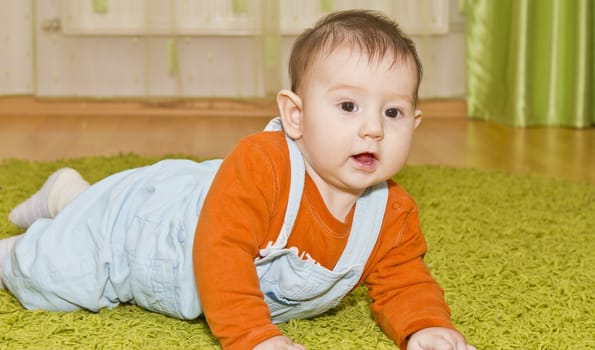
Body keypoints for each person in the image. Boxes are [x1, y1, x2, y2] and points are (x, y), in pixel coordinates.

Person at [0, 9, 476, 350]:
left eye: (392, 112)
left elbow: (402, 281)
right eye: (349, 106)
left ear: (413, 124)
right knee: (56, 278)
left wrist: (425, 326)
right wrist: (255, 337)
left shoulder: (390, 214)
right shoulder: (262, 164)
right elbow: (221, 251)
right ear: (295, 115)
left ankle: (70, 195)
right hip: (143, 231)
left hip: (180, 206)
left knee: (87, 213)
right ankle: (49, 223)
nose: (372, 127)